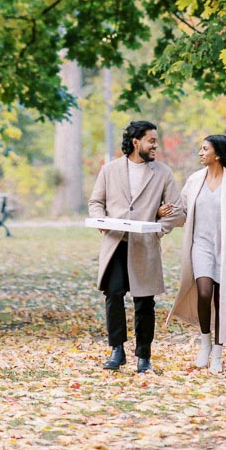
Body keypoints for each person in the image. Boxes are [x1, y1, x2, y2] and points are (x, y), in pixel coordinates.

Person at [88, 119, 182, 373]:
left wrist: (157, 226)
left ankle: (144, 356)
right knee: (114, 295)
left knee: (144, 302)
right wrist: (101, 221)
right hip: (116, 243)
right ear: (135, 142)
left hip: (144, 245)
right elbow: (96, 202)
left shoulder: (162, 172)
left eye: (156, 141)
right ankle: (117, 350)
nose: (155, 146)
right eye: (151, 141)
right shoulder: (109, 170)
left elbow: (178, 210)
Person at [166, 134, 226, 374]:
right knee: (204, 292)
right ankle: (205, 341)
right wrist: (164, 213)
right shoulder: (194, 180)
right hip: (201, 245)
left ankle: (218, 351)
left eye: (204, 149)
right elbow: (183, 212)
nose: (200, 152)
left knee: (222, 298)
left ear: (217, 154)